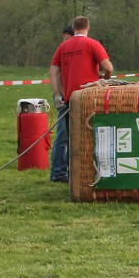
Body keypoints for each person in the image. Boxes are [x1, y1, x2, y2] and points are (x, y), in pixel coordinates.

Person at [49, 16, 113, 182]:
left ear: (73, 27)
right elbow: (108, 67)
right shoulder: (93, 44)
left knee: (67, 137)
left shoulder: (63, 47)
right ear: (88, 27)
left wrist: (57, 94)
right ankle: (85, 171)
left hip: (70, 98)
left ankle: (61, 172)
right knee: (89, 135)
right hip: (89, 97)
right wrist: (104, 79)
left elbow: (53, 72)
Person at [48, 24, 75, 183]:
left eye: (67, 37)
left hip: (69, 97)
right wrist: (58, 95)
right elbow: (54, 74)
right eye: (64, 38)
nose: (65, 40)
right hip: (63, 98)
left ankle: (71, 170)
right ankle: (58, 172)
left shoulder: (71, 51)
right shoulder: (64, 50)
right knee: (63, 137)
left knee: (71, 137)